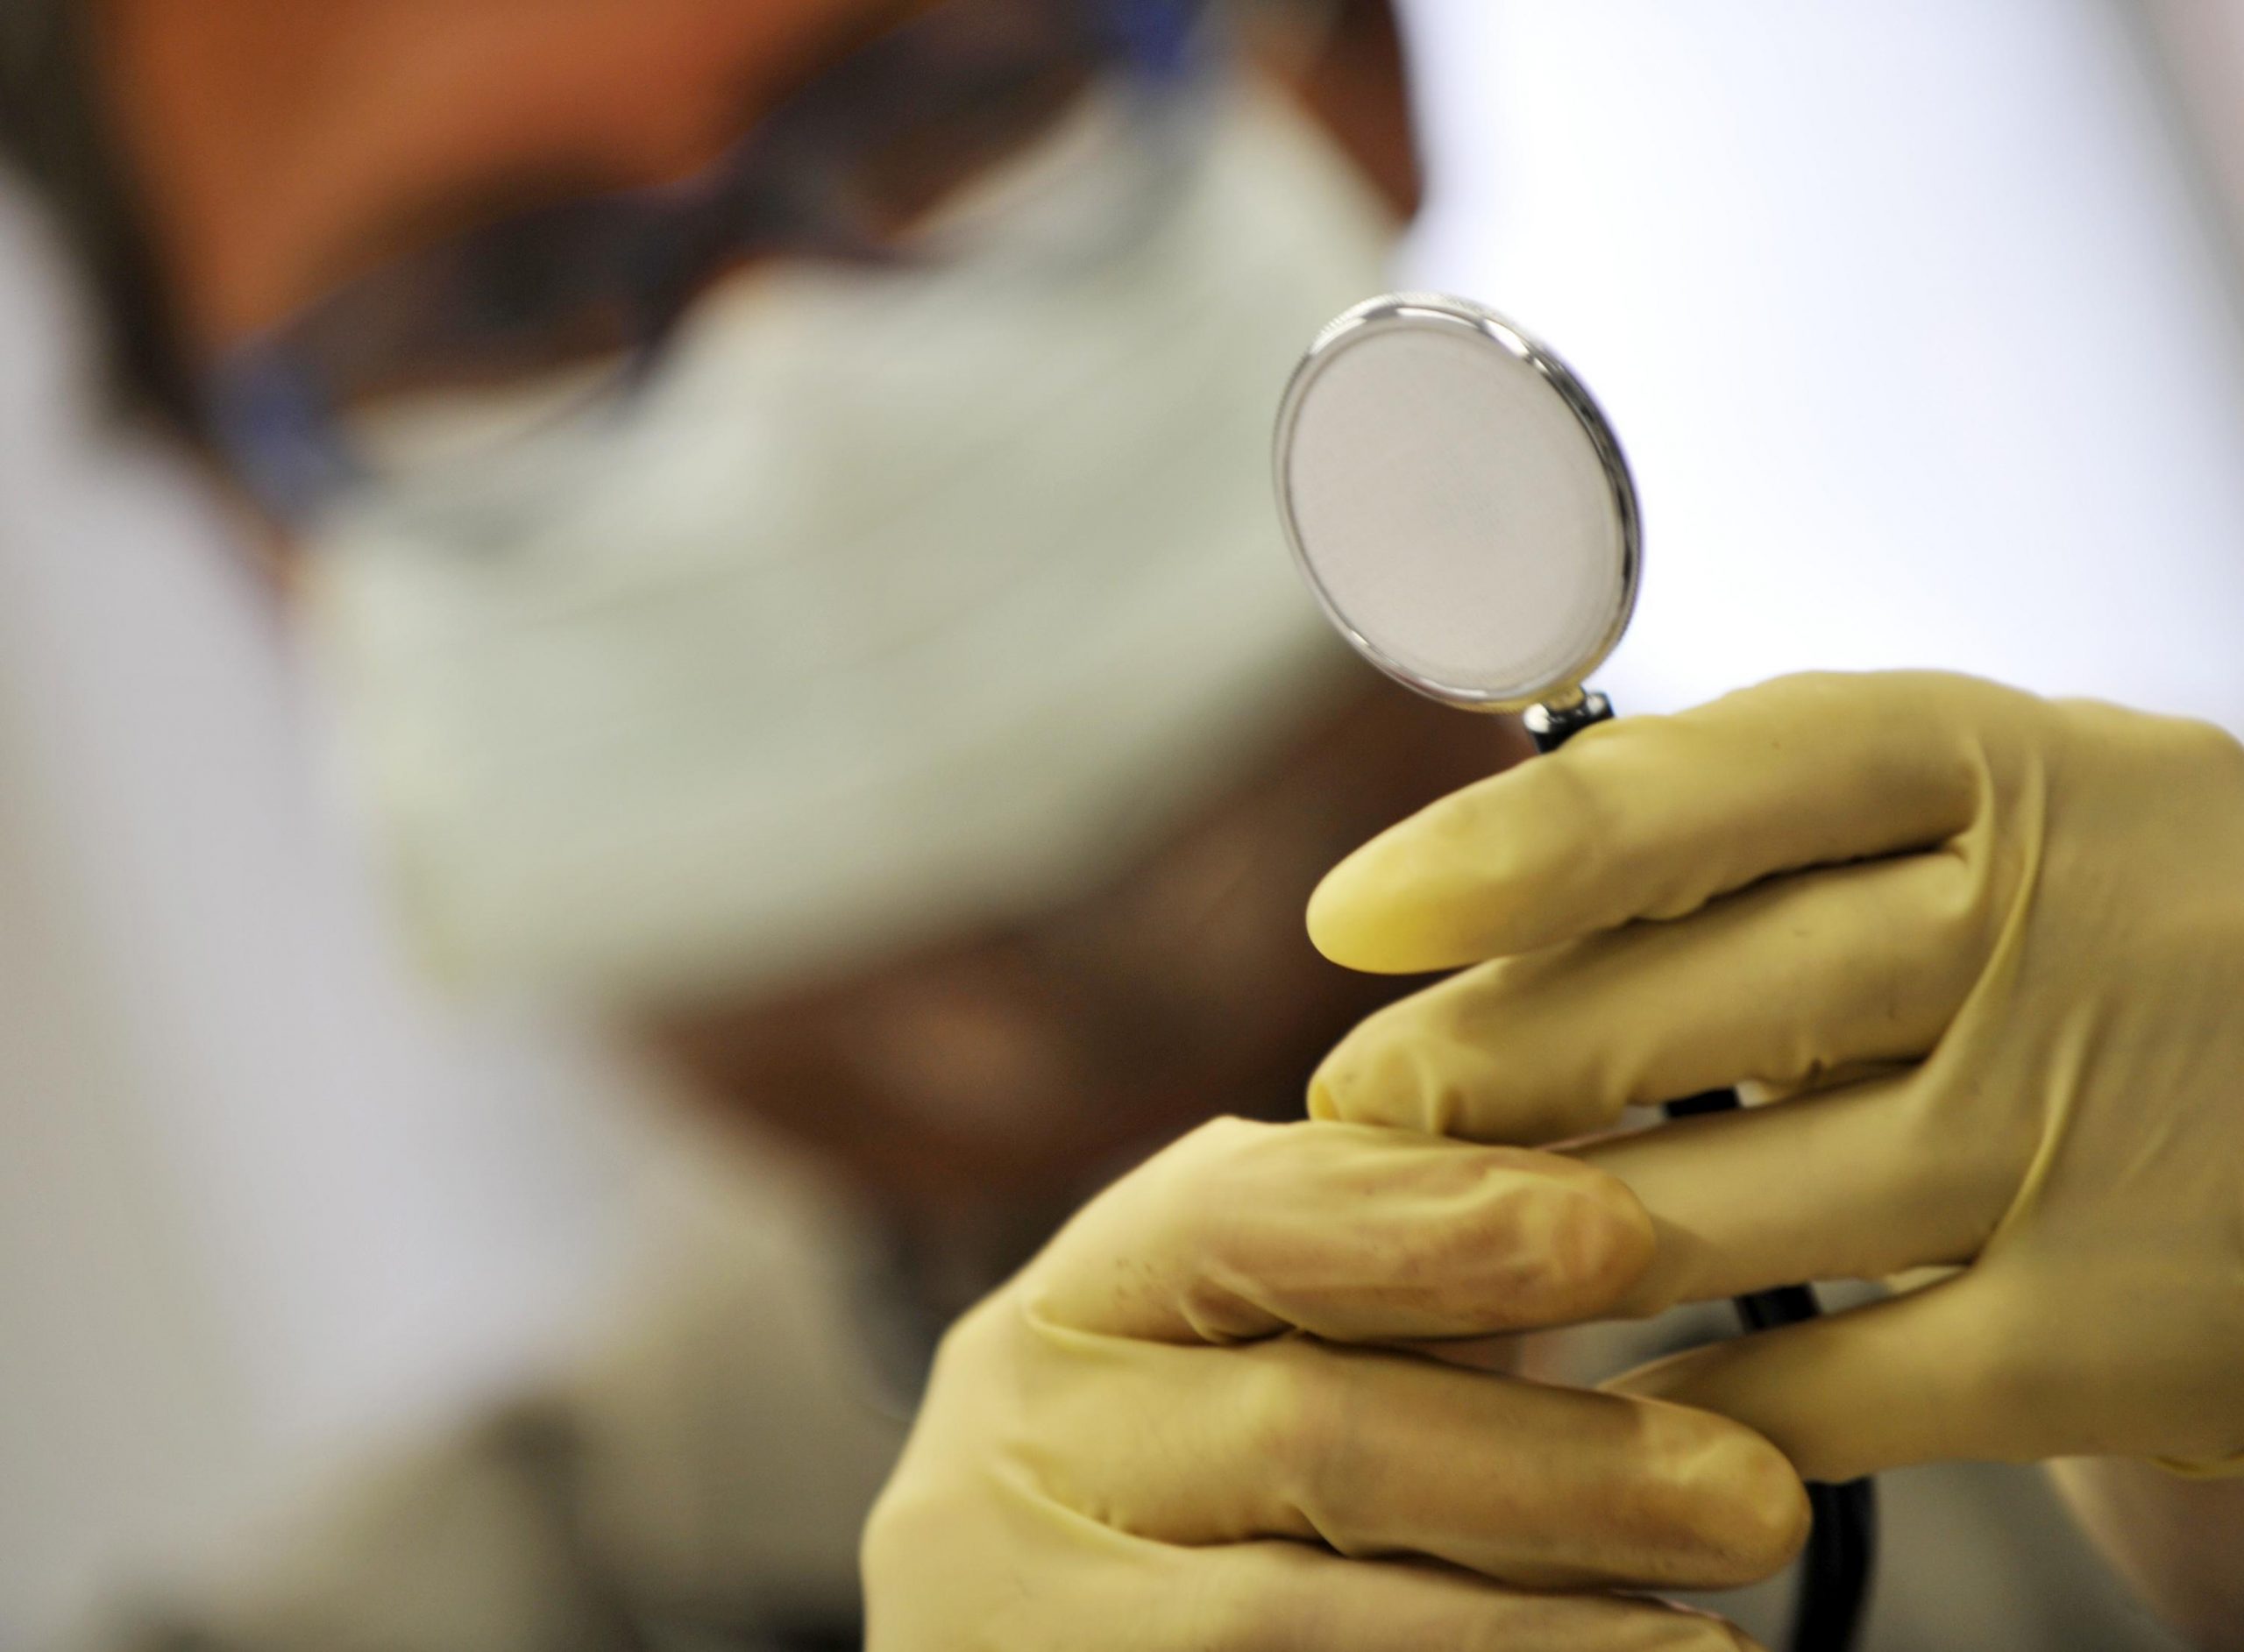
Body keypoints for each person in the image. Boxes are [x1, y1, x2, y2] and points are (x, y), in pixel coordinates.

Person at [4, 3, 2232, 1650]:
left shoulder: (2170, 1083)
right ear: (253, 551)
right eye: (498, 305)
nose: (798, 412)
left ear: (1354, 71)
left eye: (939, 95)